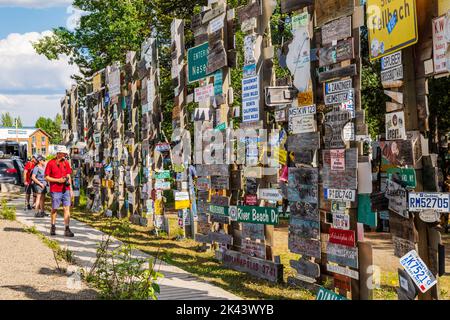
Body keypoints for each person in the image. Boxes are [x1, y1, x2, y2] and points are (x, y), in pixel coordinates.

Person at [45, 146, 74, 237]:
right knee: (55, 208)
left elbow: (68, 175)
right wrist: (57, 180)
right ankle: (53, 226)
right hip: (55, 189)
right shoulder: (50, 163)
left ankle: (67, 228)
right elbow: (46, 177)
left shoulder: (66, 163)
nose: (65, 155)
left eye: (65, 153)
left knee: (67, 208)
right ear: (58, 153)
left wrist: (71, 189)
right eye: (63, 153)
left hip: (66, 189)